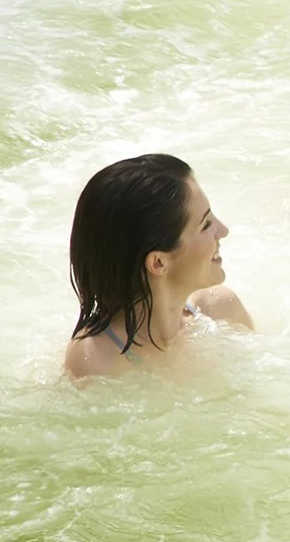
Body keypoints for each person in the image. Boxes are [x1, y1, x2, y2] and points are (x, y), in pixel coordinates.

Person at [63, 154, 253, 381]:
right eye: (206, 225)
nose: (223, 231)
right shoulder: (97, 361)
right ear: (158, 262)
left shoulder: (220, 309)